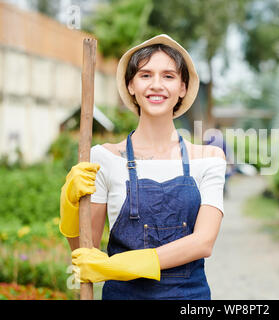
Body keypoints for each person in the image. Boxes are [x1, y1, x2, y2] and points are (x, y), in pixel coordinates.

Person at [59, 34, 226, 300]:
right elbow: (84, 247)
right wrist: (69, 203)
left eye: (169, 76)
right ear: (131, 85)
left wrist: (120, 266)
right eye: (145, 75)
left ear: (183, 87)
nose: (156, 85)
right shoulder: (104, 157)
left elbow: (203, 242)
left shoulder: (208, 158)